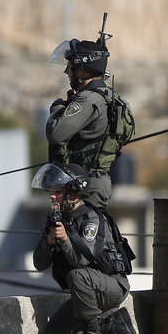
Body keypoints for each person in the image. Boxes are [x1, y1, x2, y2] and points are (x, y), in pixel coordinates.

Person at [31, 162, 136, 334]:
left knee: (77, 276)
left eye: (58, 191)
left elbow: (81, 262)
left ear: (74, 193)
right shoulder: (56, 219)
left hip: (112, 285)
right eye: (51, 191)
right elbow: (39, 264)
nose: (52, 196)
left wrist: (64, 240)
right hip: (85, 291)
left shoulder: (91, 219)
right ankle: (111, 324)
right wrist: (49, 241)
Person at [45, 36, 115, 208]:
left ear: (83, 72)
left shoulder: (88, 100)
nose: (67, 73)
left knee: (80, 233)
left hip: (85, 185)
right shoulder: (104, 95)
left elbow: (55, 133)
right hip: (86, 182)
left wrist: (58, 108)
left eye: (70, 68)